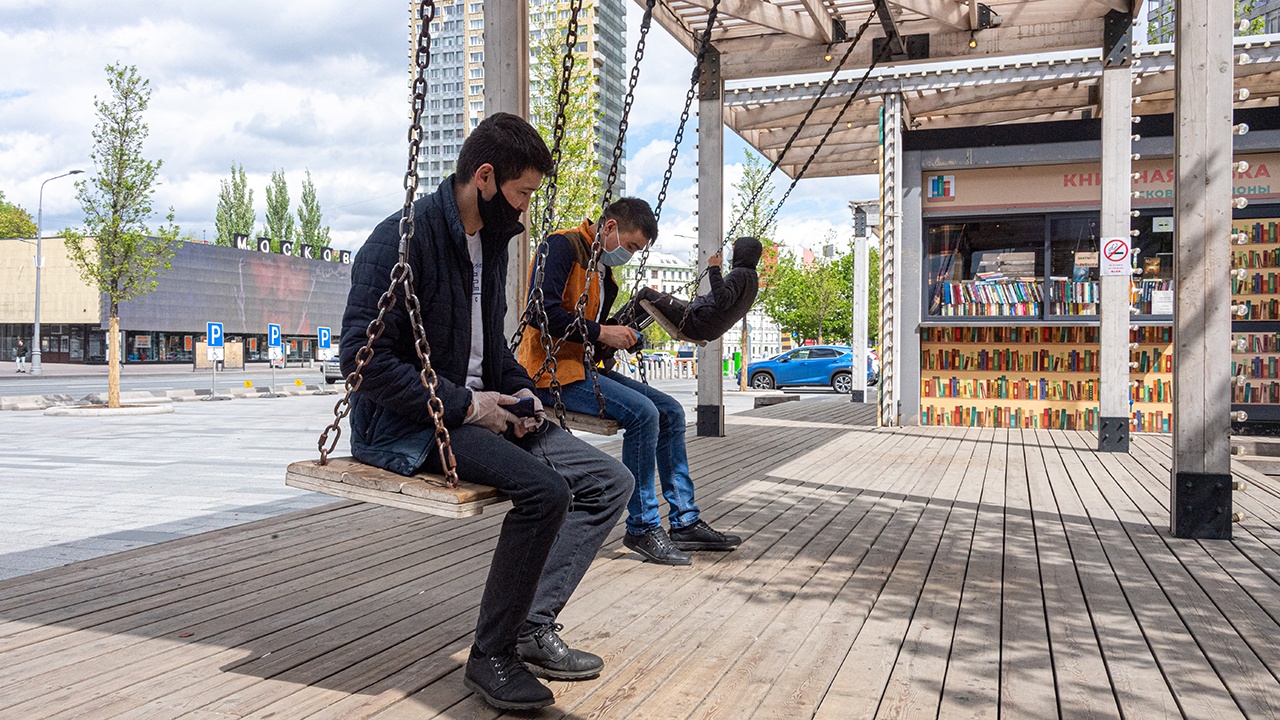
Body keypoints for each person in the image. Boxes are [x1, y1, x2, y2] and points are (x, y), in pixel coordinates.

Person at [339, 113, 631, 712]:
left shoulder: (491, 245)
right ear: (486, 178)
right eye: (522, 194)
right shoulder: (399, 241)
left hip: (483, 409)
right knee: (545, 492)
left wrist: (522, 395)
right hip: (415, 424)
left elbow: (491, 348)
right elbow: (361, 363)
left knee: (610, 481)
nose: (525, 212)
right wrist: (469, 404)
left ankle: (530, 626)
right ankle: (489, 656)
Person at [517, 198, 741, 568]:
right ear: (609, 228)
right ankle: (642, 525)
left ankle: (684, 519)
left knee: (669, 410)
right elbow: (540, 312)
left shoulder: (605, 274)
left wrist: (616, 339)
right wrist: (603, 331)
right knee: (643, 413)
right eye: (631, 246)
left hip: (584, 368)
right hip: (551, 373)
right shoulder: (560, 245)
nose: (630, 255)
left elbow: (590, 334)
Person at [614, 236, 763, 342]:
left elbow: (723, 300)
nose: (732, 253)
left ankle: (612, 327)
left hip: (696, 321)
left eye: (734, 249)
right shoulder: (752, 280)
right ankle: (631, 335)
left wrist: (714, 269)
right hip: (705, 326)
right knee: (660, 301)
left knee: (646, 294)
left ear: (743, 252)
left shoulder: (740, 274)